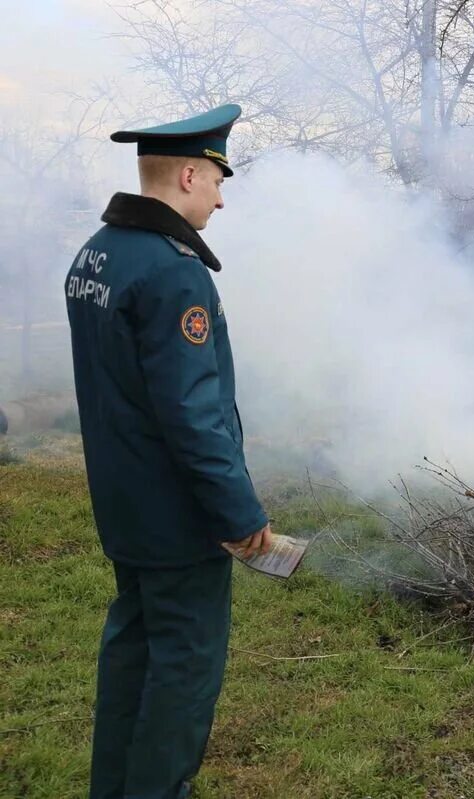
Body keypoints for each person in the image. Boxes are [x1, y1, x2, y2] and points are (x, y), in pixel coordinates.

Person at [65, 104, 271, 799]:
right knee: (182, 675)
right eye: (217, 176)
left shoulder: (97, 252)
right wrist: (240, 512)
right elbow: (193, 416)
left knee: (132, 658)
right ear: (189, 173)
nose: (220, 192)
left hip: (124, 512)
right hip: (178, 523)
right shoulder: (175, 274)